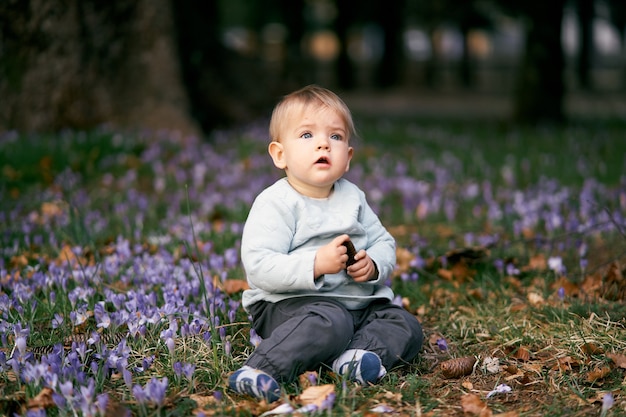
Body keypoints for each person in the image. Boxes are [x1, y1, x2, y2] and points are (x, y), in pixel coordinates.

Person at [228, 85, 423, 402]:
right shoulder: (276, 203)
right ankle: (260, 370)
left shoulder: (353, 196)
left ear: (347, 158)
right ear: (280, 155)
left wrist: (372, 265)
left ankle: (357, 358)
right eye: (307, 135)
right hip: (290, 307)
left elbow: (384, 242)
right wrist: (315, 265)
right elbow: (260, 267)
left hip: (359, 305)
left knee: (404, 324)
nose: (323, 143)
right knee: (330, 321)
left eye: (335, 136)